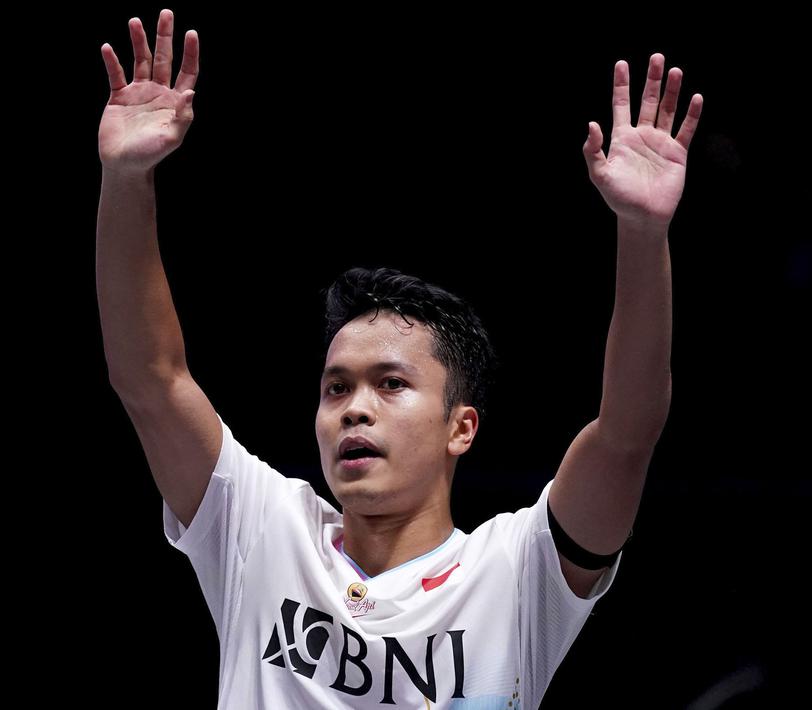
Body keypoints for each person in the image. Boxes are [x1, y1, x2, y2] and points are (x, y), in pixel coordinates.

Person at [95, 10, 701, 708]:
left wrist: (642, 231)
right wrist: (125, 180)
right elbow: (150, 379)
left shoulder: (516, 572)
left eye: (391, 383)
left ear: (460, 427)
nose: (353, 407)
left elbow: (626, 433)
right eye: (334, 388)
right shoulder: (260, 530)